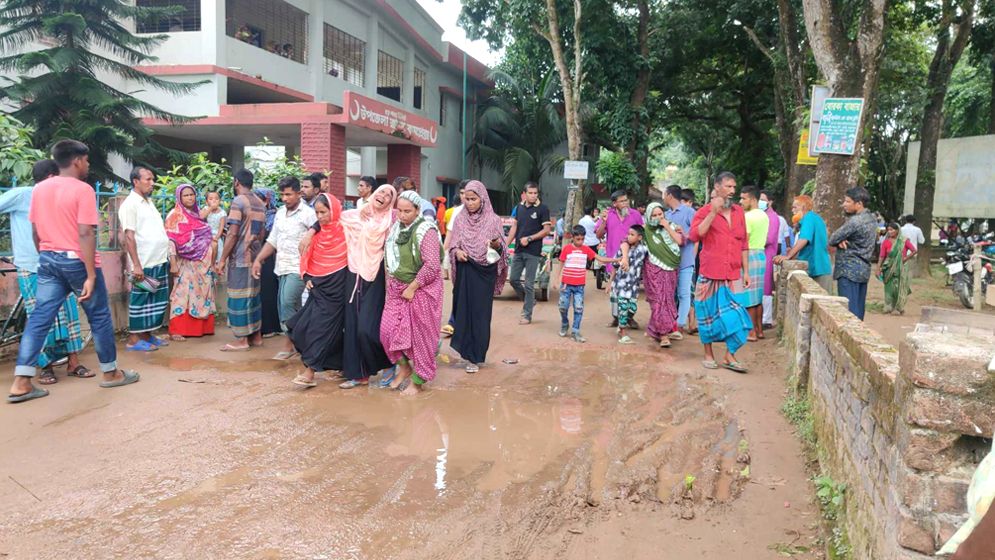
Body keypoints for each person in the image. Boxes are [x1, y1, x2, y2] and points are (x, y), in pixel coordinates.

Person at [8, 140, 139, 403]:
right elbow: (85, 232)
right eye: (87, 161)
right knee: (99, 316)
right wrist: (90, 275)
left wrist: (46, 253)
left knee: (39, 319)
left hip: (47, 260)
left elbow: (35, 231)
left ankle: (21, 382)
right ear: (77, 160)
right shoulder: (83, 189)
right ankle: (110, 373)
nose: (88, 165)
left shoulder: (40, 189)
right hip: (76, 262)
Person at [0, 159, 89, 386]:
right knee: (40, 319)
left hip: (60, 264)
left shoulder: (60, 199)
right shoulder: (23, 195)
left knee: (69, 315)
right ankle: (45, 367)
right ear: (51, 177)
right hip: (31, 266)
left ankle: (73, 362)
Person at [380, 190, 444, 395]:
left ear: (418, 210)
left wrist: (413, 286)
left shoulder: (427, 230)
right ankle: (405, 368)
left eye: (408, 211)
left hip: (422, 290)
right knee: (387, 332)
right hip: (397, 289)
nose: (403, 215)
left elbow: (432, 265)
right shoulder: (395, 229)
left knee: (421, 337)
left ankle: (418, 381)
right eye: (400, 210)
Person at [688, 172, 753, 374]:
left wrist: (746, 272)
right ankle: (708, 354)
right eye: (728, 187)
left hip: (733, 274)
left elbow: (743, 243)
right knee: (706, 315)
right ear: (717, 187)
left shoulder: (739, 212)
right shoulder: (703, 211)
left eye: (734, 187)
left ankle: (729, 354)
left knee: (739, 317)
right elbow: (695, 235)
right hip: (710, 272)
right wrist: (712, 213)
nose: (732, 191)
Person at [286, 193, 348, 387]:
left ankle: (310, 371)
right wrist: (307, 276)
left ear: (335, 210)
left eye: (324, 212)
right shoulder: (317, 233)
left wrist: (311, 230)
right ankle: (342, 365)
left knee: (320, 329)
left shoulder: (347, 229)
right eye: (317, 213)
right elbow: (306, 256)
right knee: (300, 325)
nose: (320, 217)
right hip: (318, 287)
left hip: (338, 286)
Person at [338, 184, 397, 389]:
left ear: (391, 202)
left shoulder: (391, 222)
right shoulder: (354, 216)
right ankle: (359, 374)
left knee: (367, 328)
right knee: (353, 326)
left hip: (377, 275)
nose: (383, 196)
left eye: (389, 195)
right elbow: (332, 219)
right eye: (381, 192)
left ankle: (389, 363)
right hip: (353, 272)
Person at [251, 177, 315, 359]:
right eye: (282, 195)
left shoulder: (308, 214)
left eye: (289, 194)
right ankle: (302, 342)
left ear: (298, 194)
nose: (285, 198)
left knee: (287, 303)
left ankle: (289, 344)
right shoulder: (279, 213)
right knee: (289, 306)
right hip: (281, 267)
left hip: (299, 268)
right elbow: (273, 240)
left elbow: (318, 238)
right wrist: (259, 260)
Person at [448, 180, 507, 374]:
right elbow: (453, 245)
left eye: (474, 199)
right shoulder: (460, 219)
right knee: (464, 313)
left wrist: (496, 244)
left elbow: (502, 249)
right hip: (466, 269)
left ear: (483, 198)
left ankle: (476, 355)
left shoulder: (493, 220)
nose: (470, 203)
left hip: (484, 272)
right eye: (467, 199)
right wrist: (457, 253)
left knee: (480, 315)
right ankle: (467, 354)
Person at [119, 166, 171, 351]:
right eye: (148, 179)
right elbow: (129, 236)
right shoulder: (129, 205)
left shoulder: (148, 202)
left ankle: (147, 335)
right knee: (140, 300)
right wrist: (137, 265)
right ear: (136, 181)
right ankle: (134, 340)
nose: (152, 183)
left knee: (155, 300)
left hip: (158, 259)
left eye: (152, 179)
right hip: (144, 261)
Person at [215, 169, 267, 350]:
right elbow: (261, 234)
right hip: (256, 258)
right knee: (253, 297)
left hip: (240, 257)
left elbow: (232, 233)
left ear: (236, 182)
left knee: (238, 297)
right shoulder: (260, 202)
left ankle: (242, 340)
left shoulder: (238, 202)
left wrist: (222, 259)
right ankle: (256, 337)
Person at [165, 184, 217, 340]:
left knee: (203, 294)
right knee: (182, 294)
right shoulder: (174, 215)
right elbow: (171, 241)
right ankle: (178, 330)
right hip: (184, 263)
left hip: (203, 264)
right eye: (185, 195)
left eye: (192, 194)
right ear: (179, 198)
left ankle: (202, 329)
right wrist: (173, 263)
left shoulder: (197, 214)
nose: (189, 197)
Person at [558, 225, 618, 343]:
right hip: (566, 284)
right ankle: (565, 323)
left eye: (582, 239)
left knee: (579, 308)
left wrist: (615, 259)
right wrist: (557, 279)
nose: (580, 242)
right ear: (573, 238)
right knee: (562, 307)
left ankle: (575, 331)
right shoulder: (566, 249)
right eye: (578, 239)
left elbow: (600, 258)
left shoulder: (586, 249)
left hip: (579, 285)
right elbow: (561, 264)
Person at [828, 186, 879, 320]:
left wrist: (839, 240)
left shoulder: (855, 221)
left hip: (848, 270)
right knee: (858, 310)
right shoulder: (872, 219)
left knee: (849, 312)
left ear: (859, 204)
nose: (844, 204)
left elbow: (833, 238)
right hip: (863, 270)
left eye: (847, 201)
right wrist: (841, 240)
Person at [505, 181, 551, 325]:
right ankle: (529, 301)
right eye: (530, 193)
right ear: (524, 194)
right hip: (518, 250)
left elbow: (546, 230)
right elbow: (514, 227)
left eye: (535, 193)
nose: (532, 196)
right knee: (513, 279)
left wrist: (530, 238)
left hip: (533, 252)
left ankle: (527, 314)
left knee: (530, 284)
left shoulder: (543, 209)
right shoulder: (519, 208)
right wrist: (505, 244)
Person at [597, 189, 644, 328]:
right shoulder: (607, 215)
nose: (625, 203)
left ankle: (630, 317)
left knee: (632, 290)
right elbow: (598, 235)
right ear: (614, 204)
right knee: (615, 291)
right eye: (622, 201)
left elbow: (641, 234)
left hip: (632, 260)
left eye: (626, 200)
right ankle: (616, 317)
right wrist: (604, 222)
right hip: (613, 258)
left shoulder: (635, 214)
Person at [643, 202, 684, 348]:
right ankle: (663, 335)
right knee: (658, 300)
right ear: (648, 216)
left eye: (660, 214)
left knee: (667, 299)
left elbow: (679, 241)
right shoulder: (645, 230)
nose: (658, 217)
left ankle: (658, 329)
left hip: (671, 267)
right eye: (654, 215)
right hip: (653, 268)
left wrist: (667, 226)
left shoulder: (672, 226)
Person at [774, 195, 833, 292]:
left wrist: (788, 256)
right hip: (817, 266)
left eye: (795, 207)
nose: (793, 210)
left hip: (819, 268)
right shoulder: (812, 218)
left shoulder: (808, 218)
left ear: (804, 207)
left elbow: (804, 239)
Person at [607, 225, 648, 345]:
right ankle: (623, 333)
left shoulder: (644, 250)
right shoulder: (623, 249)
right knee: (623, 308)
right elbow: (615, 266)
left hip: (633, 287)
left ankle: (621, 324)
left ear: (639, 237)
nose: (629, 237)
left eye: (632, 235)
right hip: (621, 284)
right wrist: (610, 282)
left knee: (632, 308)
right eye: (628, 234)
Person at [664, 185, 695, 333]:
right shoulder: (666, 215)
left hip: (686, 261)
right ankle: (670, 322)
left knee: (684, 293)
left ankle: (680, 325)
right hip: (669, 261)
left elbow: (698, 233)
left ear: (669, 195)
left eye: (664, 194)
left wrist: (685, 233)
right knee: (669, 294)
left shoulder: (689, 212)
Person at [739, 186, 768, 341]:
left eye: (744, 198)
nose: (741, 201)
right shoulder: (764, 215)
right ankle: (759, 330)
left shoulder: (748, 217)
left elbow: (745, 241)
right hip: (761, 255)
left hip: (749, 255)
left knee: (748, 295)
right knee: (757, 296)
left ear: (752, 199)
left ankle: (751, 332)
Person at [440, 180, 468, 338]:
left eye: (468, 193)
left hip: (477, 261)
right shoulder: (456, 212)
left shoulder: (485, 213)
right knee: (457, 290)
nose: (465, 197)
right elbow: (449, 236)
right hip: (458, 258)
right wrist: (444, 256)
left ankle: (467, 322)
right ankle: (453, 322)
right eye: (462, 193)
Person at [255, 188, 282, 338]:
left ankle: (271, 326)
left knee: (269, 291)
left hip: (270, 258)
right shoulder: (257, 215)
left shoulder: (275, 216)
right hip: (259, 257)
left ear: (266, 201)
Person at [878, 222, 917, 315]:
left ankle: (899, 307)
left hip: (901, 267)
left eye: (892, 230)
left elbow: (914, 250)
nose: (890, 232)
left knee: (899, 287)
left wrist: (905, 259)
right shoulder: (886, 242)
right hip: (888, 267)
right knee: (888, 287)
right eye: (888, 230)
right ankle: (888, 306)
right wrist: (878, 267)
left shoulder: (904, 241)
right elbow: (882, 256)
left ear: (897, 230)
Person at [759, 191, 781, 329]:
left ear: (770, 202)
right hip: (761, 254)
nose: (760, 202)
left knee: (766, 287)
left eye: (762, 199)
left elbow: (769, 239)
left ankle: (766, 319)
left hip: (766, 255)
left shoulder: (772, 218)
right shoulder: (763, 216)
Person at [202, 191, 227, 264]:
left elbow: (221, 227)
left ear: (220, 201)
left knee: (218, 249)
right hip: (205, 234)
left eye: (216, 199)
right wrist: (210, 208)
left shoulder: (222, 212)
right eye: (211, 199)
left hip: (216, 235)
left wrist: (217, 238)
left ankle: (216, 265)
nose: (214, 200)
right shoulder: (206, 209)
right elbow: (202, 217)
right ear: (206, 202)